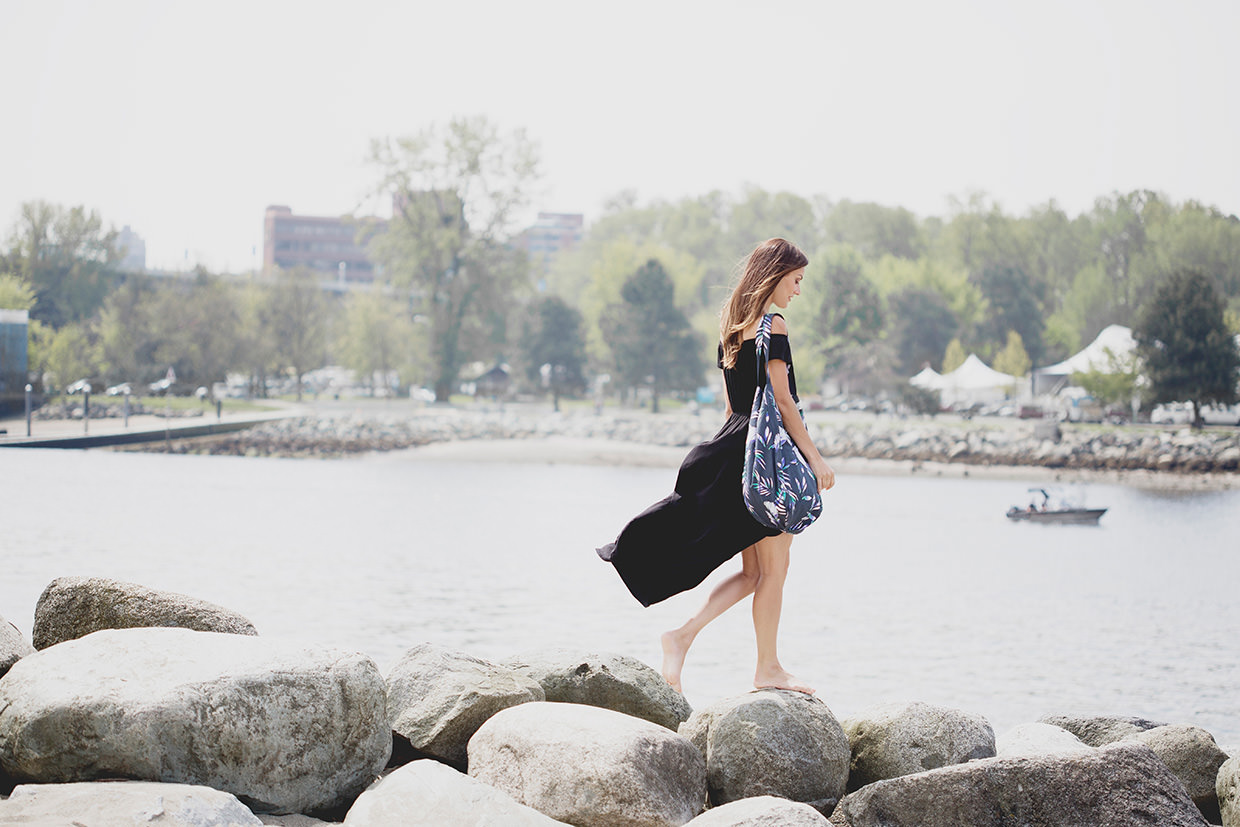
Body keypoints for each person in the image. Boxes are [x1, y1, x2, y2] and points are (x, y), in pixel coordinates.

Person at [596, 238, 836, 696]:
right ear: (775, 275)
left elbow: (733, 407)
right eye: (796, 280)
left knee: (753, 574)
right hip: (768, 461)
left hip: (735, 449)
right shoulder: (774, 325)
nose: (798, 291)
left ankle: (681, 636)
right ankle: (768, 668)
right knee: (774, 572)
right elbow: (783, 401)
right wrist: (815, 458)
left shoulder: (731, 325)